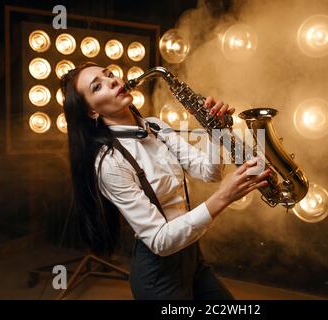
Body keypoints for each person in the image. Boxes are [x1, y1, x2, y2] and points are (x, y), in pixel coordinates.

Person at [61, 62, 270, 300]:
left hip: (192, 256)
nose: (112, 81)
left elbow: (208, 172)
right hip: (157, 276)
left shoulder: (156, 126)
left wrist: (214, 129)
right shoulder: (109, 164)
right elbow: (160, 241)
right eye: (97, 87)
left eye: (109, 74)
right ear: (92, 112)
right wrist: (223, 197)